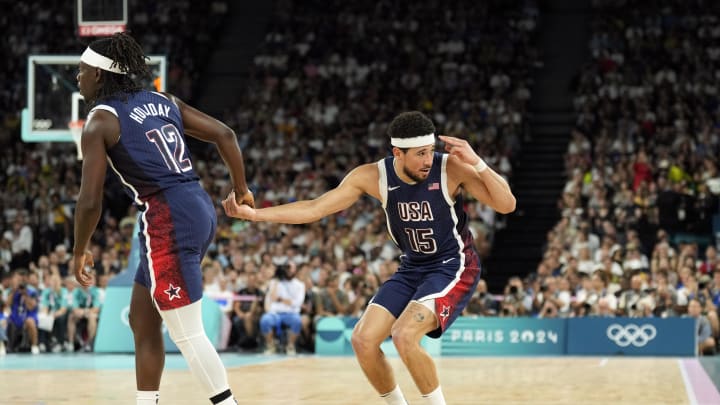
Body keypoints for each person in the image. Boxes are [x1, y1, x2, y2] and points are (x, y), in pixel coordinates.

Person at [223, 111, 516, 405]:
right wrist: (255, 215)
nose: (428, 160)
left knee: (403, 335)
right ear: (397, 153)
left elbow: (506, 205)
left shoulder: (449, 168)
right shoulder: (372, 176)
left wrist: (477, 162)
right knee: (362, 340)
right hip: (413, 266)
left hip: (454, 265)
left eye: (430, 152)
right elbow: (315, 208)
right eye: (420, 154)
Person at [71, 32, 253, 405]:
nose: (78, 77)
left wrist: (79, 250)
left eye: (82, 70)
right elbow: (225, 134)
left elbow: (90, 201)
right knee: (142, 317)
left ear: (101, 76)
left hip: (166, 217)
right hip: (196, 206)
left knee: (186, 333)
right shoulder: (162, 99)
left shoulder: (100, 121)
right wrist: (241, 188)